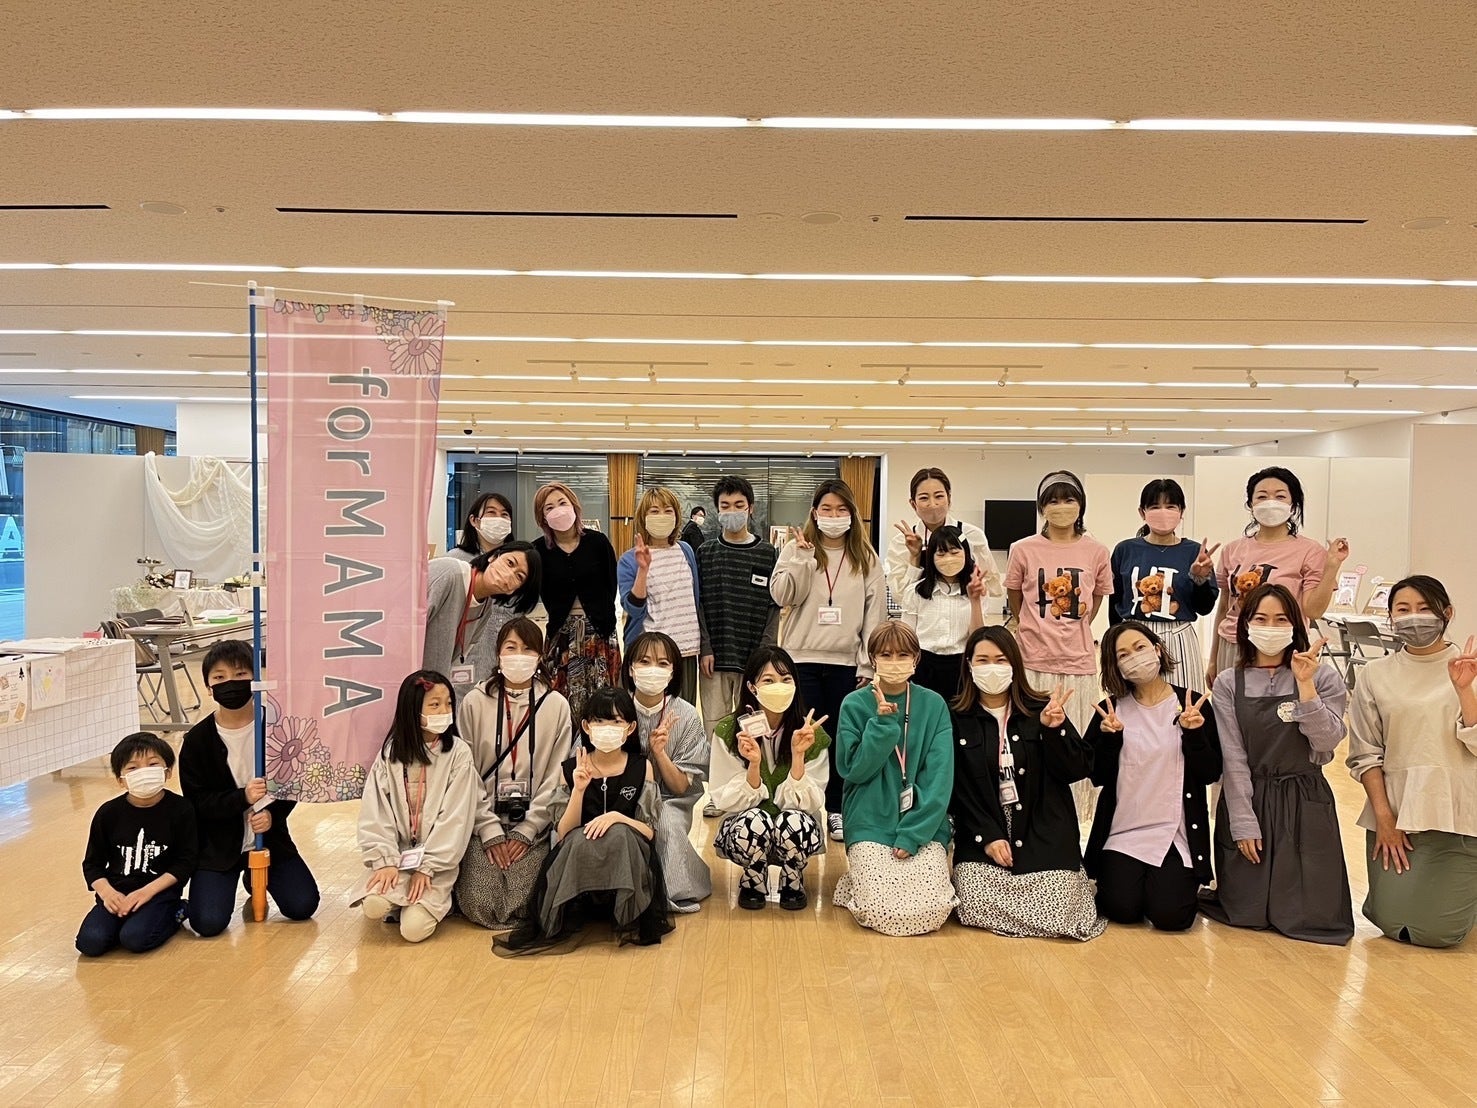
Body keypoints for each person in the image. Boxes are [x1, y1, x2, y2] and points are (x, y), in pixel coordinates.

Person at [1202, 583, 1353, 944]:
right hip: (1251, 796)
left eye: (1281, 619)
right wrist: (1242, 822)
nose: (1271, 627)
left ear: (1296, 626)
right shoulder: (1228, 683)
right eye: (1261, 618)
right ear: (1246, 625)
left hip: (1305, 798)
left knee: (1311, 915)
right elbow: (1233, 758)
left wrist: (1306, 687)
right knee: (1246, 911)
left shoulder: (1324, 676)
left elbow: (1326, 742)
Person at [950, 627, 1106, 940]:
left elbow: (1077, 769)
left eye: (1000, 660)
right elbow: (957, 789)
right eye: (982, 660)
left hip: (1042, 829)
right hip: (985, 828)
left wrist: (1055, 730)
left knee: (1061, 908)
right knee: (971, 901)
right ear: (969, 665)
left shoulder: (1042, 708)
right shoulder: (956, 716)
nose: (991, 667)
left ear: (1015, 664)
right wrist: (988, 837)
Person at [1347, 575, 1477, 948]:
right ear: (1390, 617)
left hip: (1460, 816)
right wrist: (1384, 819)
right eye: (1403, 610)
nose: (1414, 618)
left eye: (1424, 608)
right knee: (1392, 922)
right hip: (1397, 813)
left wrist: (1464, 690)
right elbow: (1365, 753)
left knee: (1437, 933)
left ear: (1447, 613)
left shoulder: (1469, 667)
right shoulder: (1375, 674)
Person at [497, 688, 673, 951]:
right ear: (586, 727)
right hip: (581, 859)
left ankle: (624, 910)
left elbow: (648, 832)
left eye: (616, 721)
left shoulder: (641, 766)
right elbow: (564, 833)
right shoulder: (570, 769)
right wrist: (579, 789)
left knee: (621, 834)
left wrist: (617, 818)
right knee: (579, 838)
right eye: (599, 721)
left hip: (626, 858)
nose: (607, 728)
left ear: (630, 727)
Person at [1085, 622, 1222, 932]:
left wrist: (1194, 735)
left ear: (1157, 650)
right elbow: (1096, 775)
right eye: (1123, 654)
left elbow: (1210, 773)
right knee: (1121, 909)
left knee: (1171, 916)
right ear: (1115, 665)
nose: (1134, 657)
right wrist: (1109, 740)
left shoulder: (1192, 704)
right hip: (1123, 831)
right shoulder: (1110, 710)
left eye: (1139, 647)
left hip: (1174, 832)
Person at [770, 478, 886, 842]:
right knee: (802, 737)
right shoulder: (796, 549)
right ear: (814, 513)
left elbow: (874, 615)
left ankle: (836, 807)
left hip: (846, 665)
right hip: (800, 660)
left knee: (840, 739)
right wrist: (802, 560)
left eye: (841, 509)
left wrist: (868, 665)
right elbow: (781, 596)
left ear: (852, 514)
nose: (834, 516)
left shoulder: (866, 557)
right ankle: (798, 806)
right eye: (827, 509)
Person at [180, 639, 320, 937]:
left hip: (269, 839)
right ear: (208, 687)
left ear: (256, 679)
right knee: (207, 923)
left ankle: (256, 880)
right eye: (220, 677)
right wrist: (240, 798)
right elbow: (196, 803)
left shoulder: (277, 727)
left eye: (241, 674)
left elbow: (291, 782)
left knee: (302, 905)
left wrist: (273, 815)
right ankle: (236, 878)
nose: (230, 683)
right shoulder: (197, 741)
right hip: (218, 846)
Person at [832, 622, 957, 936]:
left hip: (924, 823)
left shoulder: (934, 705)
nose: (894, 661)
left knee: (933, 910)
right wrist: (883, 726)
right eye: (886, 654)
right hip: (869, 819)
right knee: (880, 911)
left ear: (916, 658)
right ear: (872, 658)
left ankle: (856, 881)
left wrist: (913, 834)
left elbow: (939, 779)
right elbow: (854, 770)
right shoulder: (854, 703)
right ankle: (859, 880)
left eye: (903, 654)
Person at [1004, 470, 1112, 819]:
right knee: (1031, 748)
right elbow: (1015, 596)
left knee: (1073, 747)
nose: (1061, 506)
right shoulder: (1022, 549)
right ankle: (1029, 817)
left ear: (1081, 505)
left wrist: (1074, 628)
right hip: (1032, 662)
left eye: (1068, 499)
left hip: (1078, 664)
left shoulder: (1097, 551)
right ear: (1041, 507)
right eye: (1052, 500)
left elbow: (1096, 599)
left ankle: (1073, 821)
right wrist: (1033, 628)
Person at [454, 618, 573, 930]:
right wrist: (488, 828)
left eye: (528, 649)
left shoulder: (556, 705)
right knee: (479, 900)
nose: (519, 655)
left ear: (540, 656)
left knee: (524, 899)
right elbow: (465, 773)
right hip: (483, 820)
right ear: (498, 653)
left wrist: (529, 828)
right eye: (511, 647)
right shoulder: (474, 702)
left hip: (534, 821)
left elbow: (557, 775)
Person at [352, 671, 480, 943]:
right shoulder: (391, 753)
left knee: (413, 931)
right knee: (373, 906)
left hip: (437, 862)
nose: (444, 711)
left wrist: (428, 867)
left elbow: (455, 818)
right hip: (398, 856)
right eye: (435, 705)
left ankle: (431, 903)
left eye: (448, 704)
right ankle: (399, 900)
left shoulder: (459, 753)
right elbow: (376, 812)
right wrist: (385, 861)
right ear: (413, 710)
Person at [708, 646, 831, 910]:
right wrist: (753, 766)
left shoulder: (811, 734)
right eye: (768, 680)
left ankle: (793, 880)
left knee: (793, 820)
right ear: (752, 687)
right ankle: (753, 879)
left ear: (795, 685)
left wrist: (798, 757)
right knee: (756, 820)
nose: (779, 687)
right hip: (746, 829)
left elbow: (812, 802)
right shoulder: (729, 731)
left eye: (786, 680)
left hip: (796, 829)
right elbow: (723, 798)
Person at [1207, 466, 1349, 684]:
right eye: (1262, 496)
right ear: (1251, 504)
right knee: (1232, 704)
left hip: (1284, 646)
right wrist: (1213, 659)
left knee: (1284, 705)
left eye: (1280, 496)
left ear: (1293, 504)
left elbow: (1313, 610)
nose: (1270, 502)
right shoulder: (1232, 549)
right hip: (1234, 644)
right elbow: (1225, 607)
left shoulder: (1310, 551)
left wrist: (1331, 567)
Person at [697, 475, 780, 819]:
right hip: (715, 659)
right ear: (717, 511)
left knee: (756, 726)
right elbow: (699, 605)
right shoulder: (705, 553)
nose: (732, 511)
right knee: (716, 731)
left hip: (753, 661)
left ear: (751, 509)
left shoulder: (768, 553)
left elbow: (774, 607)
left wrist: (765, 656)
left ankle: (756, 789)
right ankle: (718, 794)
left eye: (739, 505)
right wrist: (705, 646)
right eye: (725, 506)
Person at [76, 732, 197, 956]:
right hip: (117, 892)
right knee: (90, 942)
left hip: (159, 893)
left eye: (152, 764)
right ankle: (126, 922)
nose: (143, 772)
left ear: (167, 771)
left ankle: (178, 911)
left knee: (135, 939)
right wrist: (108, 894)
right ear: (120, 779)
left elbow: (185, 862)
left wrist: (146, 893)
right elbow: (92, 864)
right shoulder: (108, 813)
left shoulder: (181, 810)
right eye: (132, 768)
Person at [622, 631, 712, 911]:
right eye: (644, 661)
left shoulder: (686, 715)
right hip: (617, 798)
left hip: (668, 800)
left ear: (673, 672)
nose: (653, 669)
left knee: (665, 824)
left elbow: (681, 787)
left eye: (662, 663)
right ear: (631, 668)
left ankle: (671, 893)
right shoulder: (615, 707)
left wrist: (660, 753)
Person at [1108, 478, 1220, 695]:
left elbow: (1204, 608)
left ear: (1181, 511)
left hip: (1178, 636)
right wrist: (1113, 641)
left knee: (1184, 702)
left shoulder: (1194, 551)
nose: (1163, 512)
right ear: (1142, 512)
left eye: (1170, 506)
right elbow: (1115, 600)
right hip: (1133, 636)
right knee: (1131, 701)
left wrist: (1200, 579)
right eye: (1155, 506)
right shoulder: (1125, 550)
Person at [531, 481, 621, 722]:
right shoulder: (538, 550)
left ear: (574, 506)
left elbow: (611, 585)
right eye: (549, 507)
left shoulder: (598, 542)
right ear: (542, 517)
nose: (558, 510)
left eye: (562, 503)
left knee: (604, 702)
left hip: (599, 632)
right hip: (561, 635)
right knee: (560, 703)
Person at [617, 486, 705, 704]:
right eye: (654, 511)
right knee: (647, 714)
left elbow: (695, 601)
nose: (662, 516)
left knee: (683, 715)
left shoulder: (686, 550)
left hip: (686, 651)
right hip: (650, 654)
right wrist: (643, 570)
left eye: (668, 511)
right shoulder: (629, 559)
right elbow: (632, 608)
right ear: (643, 517)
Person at [424, 542, 541, 699]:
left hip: (429, 691)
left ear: (516, 591)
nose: (509, 574)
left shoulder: (485, 610)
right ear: (493, 557)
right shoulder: (449, 573)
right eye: (510, 563)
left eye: (519, 576)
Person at [894, 524, 990, 700]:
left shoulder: (976, 590)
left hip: (961, 665)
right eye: (941, 553)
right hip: (923, 665)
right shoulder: (916, 591)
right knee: (926, 713)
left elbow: (977, 638)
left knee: (958, 713)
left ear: (966, 554)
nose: (948, 559)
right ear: (931, 557)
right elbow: (906, 638)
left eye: (954, 552)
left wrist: (975, 600)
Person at [884, 466, 1003, 606]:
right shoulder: (900, 543)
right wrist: (915, 558)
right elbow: (900, 596)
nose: (933, 504)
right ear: (913, 504)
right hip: (920, 616)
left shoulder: (972, 535)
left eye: (939, 496)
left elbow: (991, 585)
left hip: (965, 614)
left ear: (949, 498)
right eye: (924, 498)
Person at [449, 491, 515, 561]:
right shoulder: (455, 559)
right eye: (491, 512)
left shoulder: (516, 559)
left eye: (504, 514)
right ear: (474, 520)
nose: (499, 518)